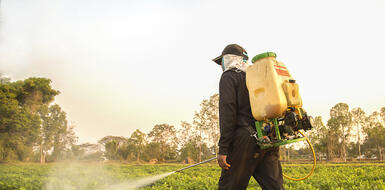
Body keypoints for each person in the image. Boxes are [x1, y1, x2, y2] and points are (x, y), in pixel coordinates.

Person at [212, 44, 285, 190]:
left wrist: (224, 148)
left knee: (229, 186)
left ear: (229, 59)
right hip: (268, 138)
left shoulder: (229, 76)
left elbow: (228, 113)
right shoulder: (258, 78)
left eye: (222, 61)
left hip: (244, 141)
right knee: (275, 187)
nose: (221, 66)